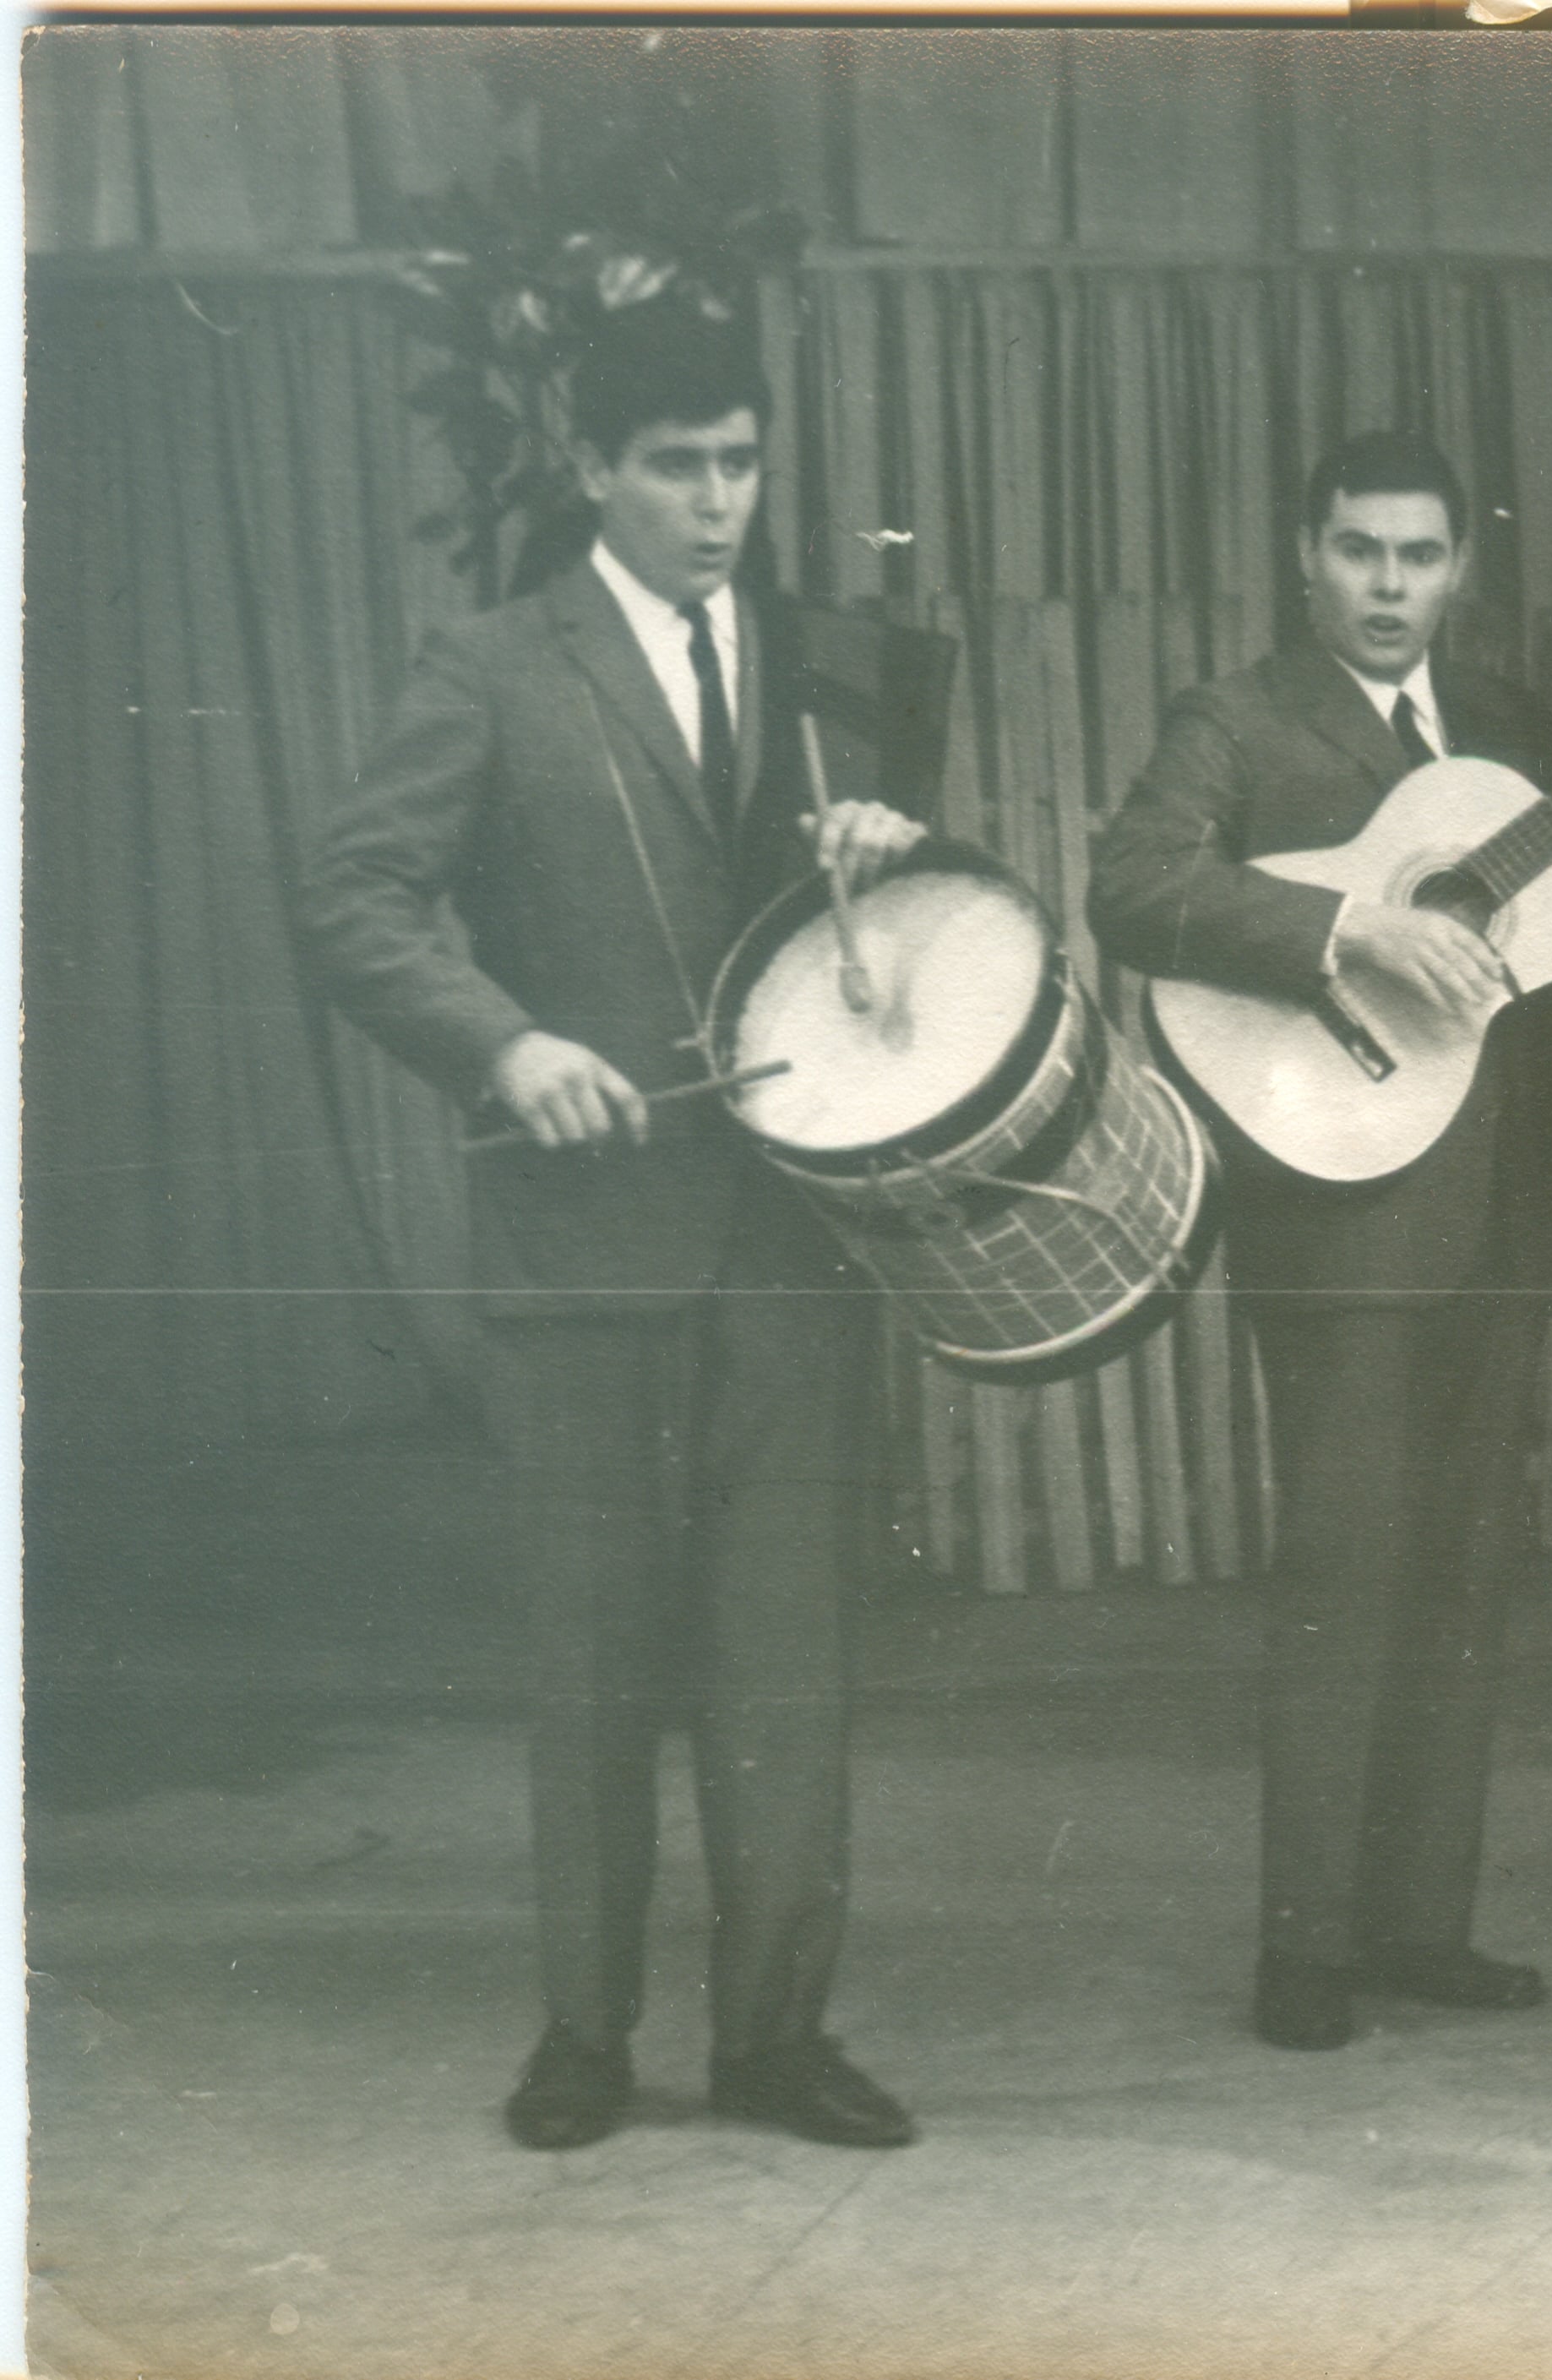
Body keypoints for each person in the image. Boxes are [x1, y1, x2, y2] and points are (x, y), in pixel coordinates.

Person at [296, 310, 930, 2151]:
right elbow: (355, 896)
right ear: (592, 467)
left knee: (787, 1662)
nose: (719, 499)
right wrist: (505, 1035)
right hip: (585, 1246)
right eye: (676, 464)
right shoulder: (493, 664)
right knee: (591, 1661)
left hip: (795, 1240)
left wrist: (893, 853)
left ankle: (775, 2038)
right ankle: (586, 2033)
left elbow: (892, 957)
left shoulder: (824, 669)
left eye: (741, 459)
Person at [1089, 431, 1552, 2051]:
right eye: (1360, 552)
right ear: (1307, 557)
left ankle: (1417, 1926)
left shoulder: (1517, 735)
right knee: (1339, 1574)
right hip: (1338, 1192)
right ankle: (1304, 1945)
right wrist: (1349, 924)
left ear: (1463, 567)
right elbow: (1132, 887)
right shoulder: (1236, 721)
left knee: (1462, 1576)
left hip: (1501, 1206)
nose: (1391, 586)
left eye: (1421, 556)